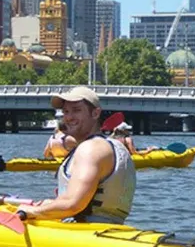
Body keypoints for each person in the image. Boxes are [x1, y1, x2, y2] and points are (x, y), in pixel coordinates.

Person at [17, 86, 136, 224]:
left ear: (95, 113)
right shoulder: (111, 145)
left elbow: (73, 204)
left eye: (77, 110)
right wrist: (47, 204)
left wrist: (32, 212)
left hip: (86, 232)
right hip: (109, 227)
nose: (69, 117)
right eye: (66, 111)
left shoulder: (91, 149)